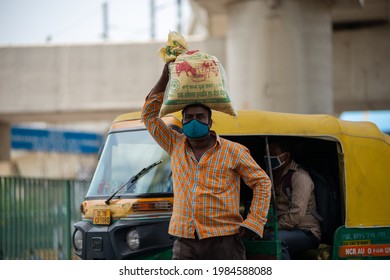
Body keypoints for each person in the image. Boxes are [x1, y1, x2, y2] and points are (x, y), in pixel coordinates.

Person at [141, 63, 271, 260]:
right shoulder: (175, 145)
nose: (194, 121)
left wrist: (254, 221)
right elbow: (149, 117)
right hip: (185, 241)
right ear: (182, 122)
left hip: (224, 241)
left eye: (200, 117)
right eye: (189, 118)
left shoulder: (233, 150)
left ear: (210, 122)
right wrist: (165, 77)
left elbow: (262, 182)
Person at [263, 137, 321, 259]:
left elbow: (296, 214)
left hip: (306, 232)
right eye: (267, 154)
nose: (268, 158)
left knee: (274, 239)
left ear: (286, 157)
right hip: (285, 230)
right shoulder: (270, 177)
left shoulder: (300, 177)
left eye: (273, 154)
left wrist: (274, 229)